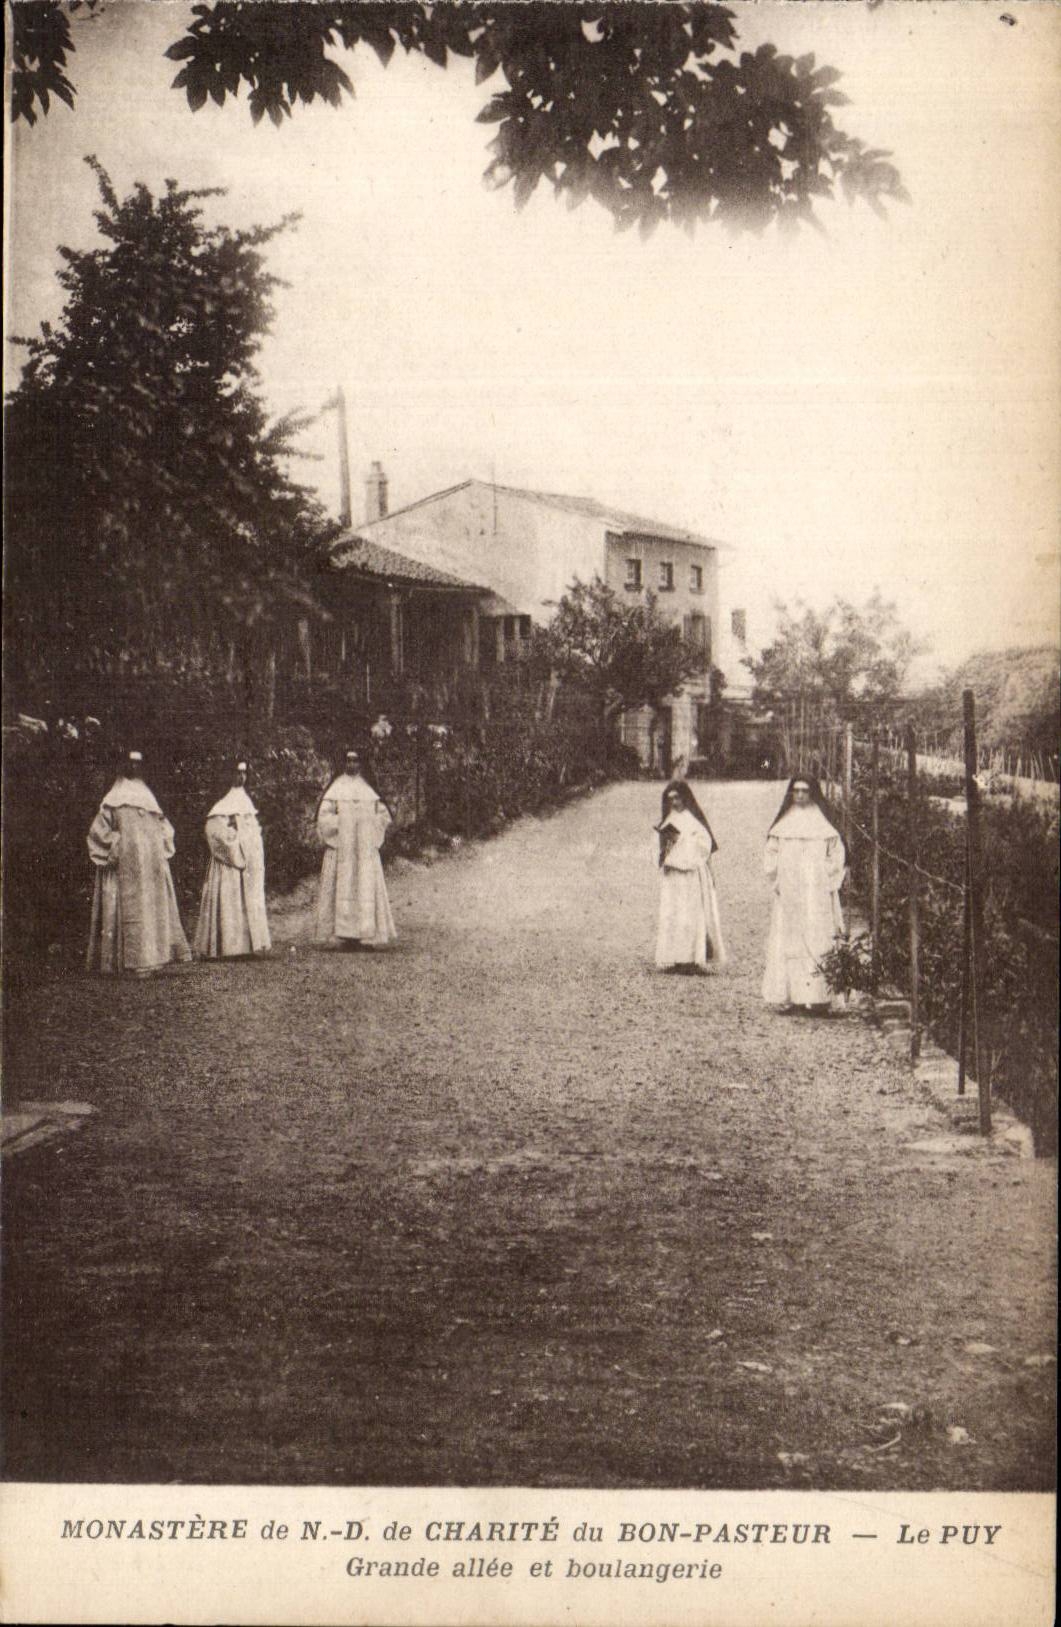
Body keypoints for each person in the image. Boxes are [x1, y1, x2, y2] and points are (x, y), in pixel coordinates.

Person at [86, 749, 191, 975]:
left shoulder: (148, 798)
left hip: (151, 865)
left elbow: (164, 827)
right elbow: (99, 831)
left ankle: (155, 957)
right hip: (127, 864)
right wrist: (116, 845)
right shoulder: (113, 799)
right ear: (123, 765)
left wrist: (160, 847)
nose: (134, 767)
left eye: (138, 763)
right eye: (130, 763)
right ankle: (126, 961)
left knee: (151, 909)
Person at [762, 775, 847, 1012]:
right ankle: (794, 998)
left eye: (805, 791)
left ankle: (819, 998)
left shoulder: (824, 824)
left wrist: (825, 879)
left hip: (816, 895)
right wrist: (778, 881)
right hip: (789, 893)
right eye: (796, 791)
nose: (800, 796)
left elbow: (837, 855)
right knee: (789, 942)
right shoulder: (783, 824)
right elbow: (771, 854)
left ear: (813, 793)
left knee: (818, 941)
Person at [314, 749, 396, 950]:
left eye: (355, 761)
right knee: (342, 886)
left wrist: (369, 829)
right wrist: (343, 826)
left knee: (365, 886)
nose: (352, 765)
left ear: (361, 763)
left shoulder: (368, 788)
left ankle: (365, 934)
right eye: (348, 760)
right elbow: (324, 817)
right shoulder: (336, 788)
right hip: (343, 849)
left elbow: (383, 815)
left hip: (365, 850)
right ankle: (345, 935)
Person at [193, 759, 271, 959]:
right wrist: (236, 846)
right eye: (237, 773)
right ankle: (230, 947)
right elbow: (215, 833)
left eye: (244, 773)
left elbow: (253, 831)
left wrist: (251, 846)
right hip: (230, 863)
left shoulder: (246, 803)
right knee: (231, 900)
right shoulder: (222, 805)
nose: (241, 777)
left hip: (248, 862)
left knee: (248, 899)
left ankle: (248, 945)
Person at [654, 780, 727, 973]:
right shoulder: (667, 820)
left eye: (678, 797)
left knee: (691, 916)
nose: (675, 802)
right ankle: (675, 958)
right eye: (671, 799)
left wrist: (684, 847)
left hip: (692, 877)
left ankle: (692, 959)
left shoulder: (694, 821)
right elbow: (657, 848)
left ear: (686, 797)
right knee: (674, 914)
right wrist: (664, 852)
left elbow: (705, 846)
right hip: (673, 877)